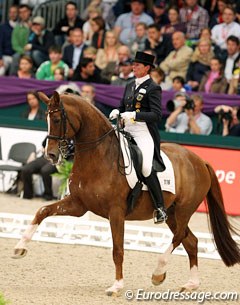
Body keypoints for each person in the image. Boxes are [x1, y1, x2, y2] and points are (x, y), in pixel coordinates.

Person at [109, 51, 167, 224]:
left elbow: (156, 115)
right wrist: (118, 111)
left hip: (143, 132)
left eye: (137, 65)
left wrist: (134, 115)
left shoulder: (153, 88)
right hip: (125, 128)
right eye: (133, 64)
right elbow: (122, 105)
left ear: (147, 68)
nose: (133, 67)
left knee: (147, 168)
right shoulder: (129, 84)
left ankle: (160, 208)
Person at [0, 4, 18, 76]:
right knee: (1, 71)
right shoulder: (3, 27)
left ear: (18, 14)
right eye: (11, 12)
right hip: (5, 56)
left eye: (14, 12)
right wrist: (0, 58)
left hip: (18, 56)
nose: (12, 14)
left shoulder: (22, 26)